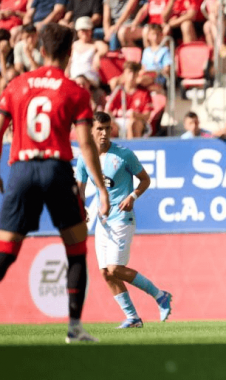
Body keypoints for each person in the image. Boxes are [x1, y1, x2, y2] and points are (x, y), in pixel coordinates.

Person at [0, 24, 110, 343]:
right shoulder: (75, 91)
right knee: (76, 248)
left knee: (5, 252)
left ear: (41, 50)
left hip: (22, 171)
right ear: (69, 53)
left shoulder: (16, 84)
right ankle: (74, 328)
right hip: (56, 170)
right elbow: (85, 145)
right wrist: (100, 187)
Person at [76, 112, 172, 328]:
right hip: (103, 222)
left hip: (122, 217)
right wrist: (80, 208)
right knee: (105, 272)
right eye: (99, 129)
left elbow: (145, 179)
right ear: (91, 130)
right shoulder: (85, 157)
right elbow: (80, 188)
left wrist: (133, 196)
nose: (104, 133)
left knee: (115, 268)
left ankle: (160, 295)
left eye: (107, 128)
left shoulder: (123, 154)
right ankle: (133, 318)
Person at [105, 61, 154, 138]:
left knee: (133, 124)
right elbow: (108, 110)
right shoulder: (118, 90)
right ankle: (109, 149)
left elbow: (147, 116)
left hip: (137, 122)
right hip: (119, 122)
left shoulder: (144, 92)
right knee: (105, 126)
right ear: (124, 74)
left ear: (137, 75)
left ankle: (131, 148)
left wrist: (136, 115)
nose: (131, 76)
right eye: (129, 73)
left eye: (134, 73)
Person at [68, 16, 108, 88]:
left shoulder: (95, 43)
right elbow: (70, 61)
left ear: (91, 31)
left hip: (90, 80)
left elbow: (104, 48)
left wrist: (98, 55)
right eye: (82, 30)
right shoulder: (74, 45)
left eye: (87, 30)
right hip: (74, 78)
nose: (85, 33)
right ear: (78, 32)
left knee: (80, 81)